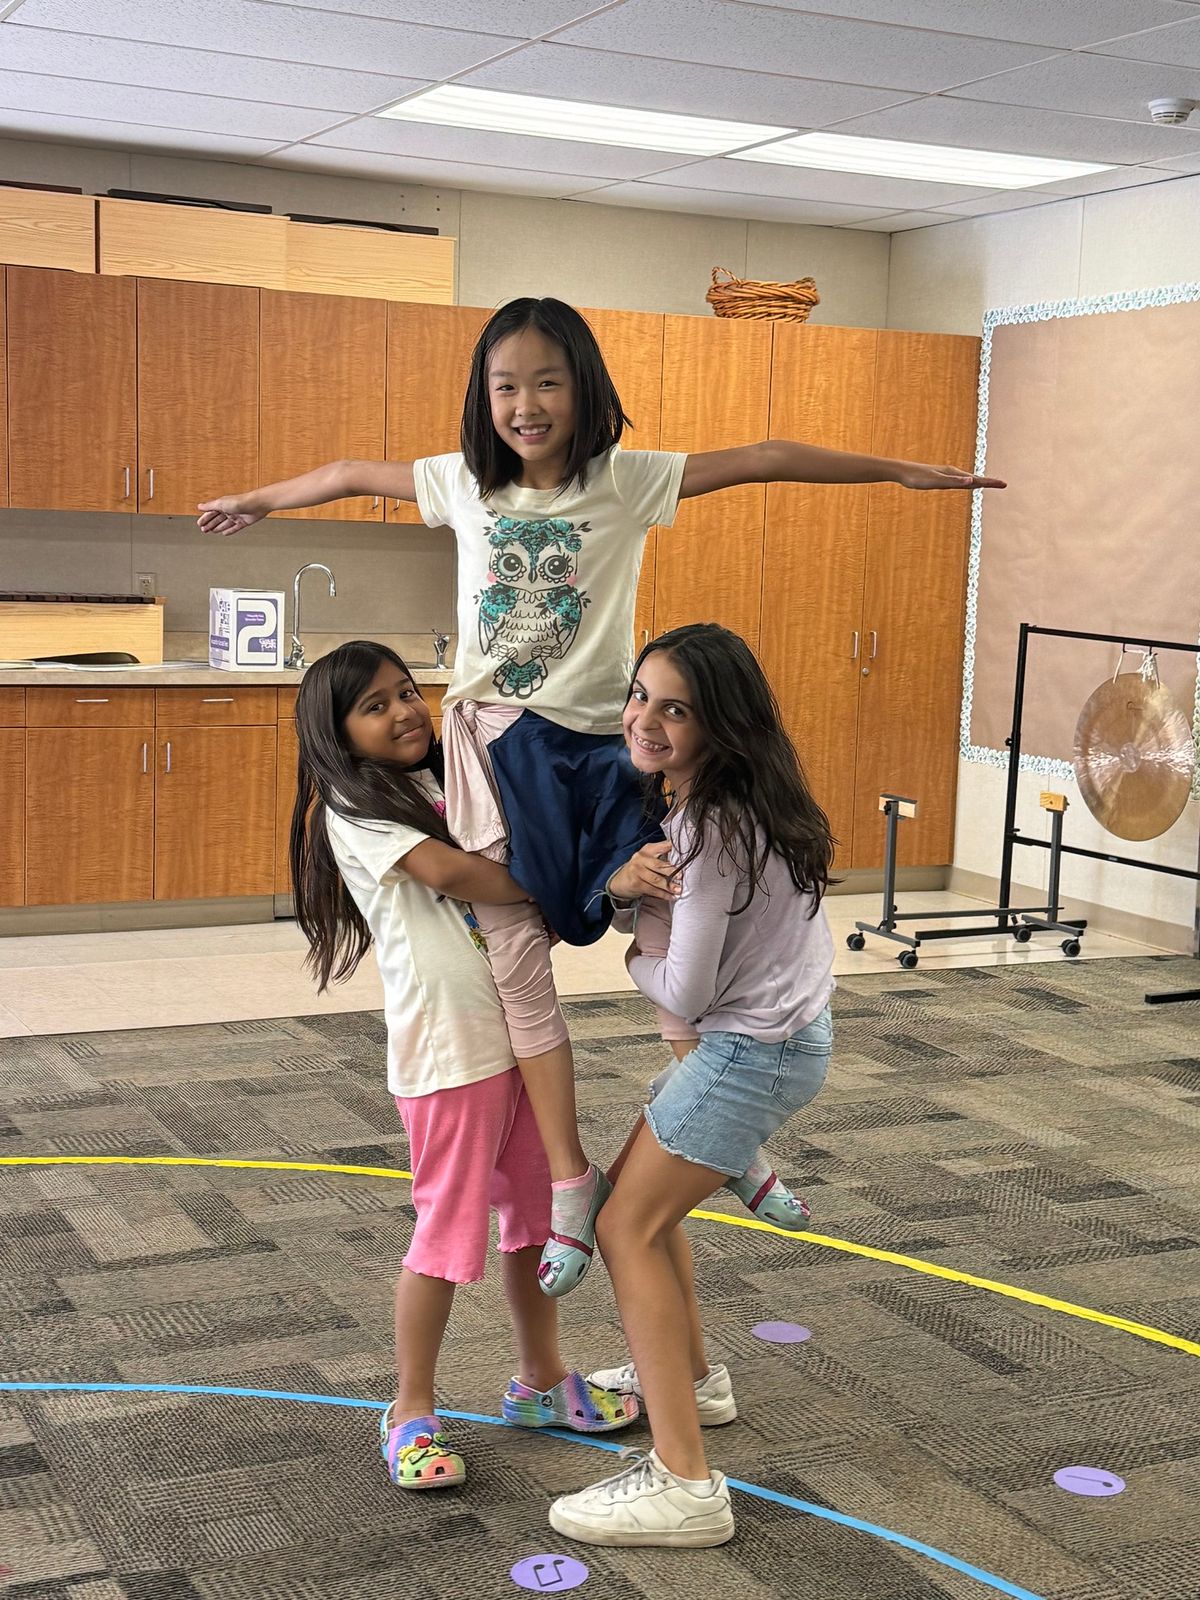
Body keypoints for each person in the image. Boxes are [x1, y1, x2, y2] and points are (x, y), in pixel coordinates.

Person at [199, 296, 1003, 1299]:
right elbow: (347, 474)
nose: (525, 404)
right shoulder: (461, 484)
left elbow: (759, 454)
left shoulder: (627, 482)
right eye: (505, 386)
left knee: (667, 892)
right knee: (516, 940)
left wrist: (897, 470)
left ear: (583, 389)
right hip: (499, 738)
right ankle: (572, 1179)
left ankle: (713, 1115)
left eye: (547, 382)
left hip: (606, 739)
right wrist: (261, 499)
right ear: (481, 398)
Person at [287, 639, 638, 1491]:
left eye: (407, 691)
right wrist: (563, 880)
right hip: (449, 1057)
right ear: (337, 734)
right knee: (444, 1239)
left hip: (514, 1042)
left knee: (529, 1222)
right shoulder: (353, 807)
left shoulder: (443, 777)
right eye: (375, 705)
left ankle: (541, 1381)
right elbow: (455, 872)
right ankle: (408, 1410)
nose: (405, 710)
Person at [549, 623, 838, 1548]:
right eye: (641, 696)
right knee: (641, 1212)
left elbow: (685, 990)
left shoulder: (710, 830)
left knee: (621, 1225)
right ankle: (697, 1384)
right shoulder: (736, 801)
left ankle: (685, 1484)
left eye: (676, 708)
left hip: (752, 1052)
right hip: (775, 1039)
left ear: (722, 723)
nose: (646, 720)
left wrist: (635, 929)